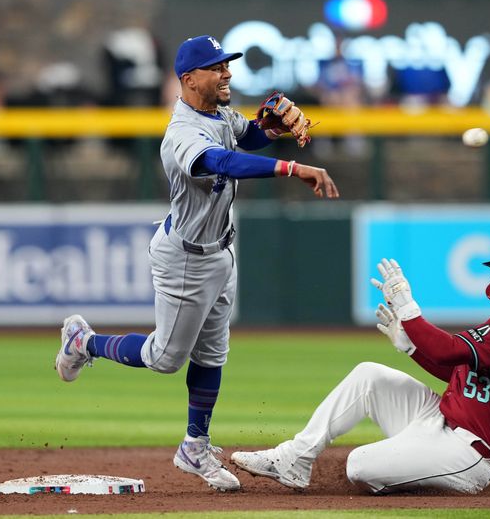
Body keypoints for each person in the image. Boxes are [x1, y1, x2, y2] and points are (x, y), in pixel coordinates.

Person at [54, 35, 339, 492]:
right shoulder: (182, 133)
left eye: (227, 64)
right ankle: (83, 340)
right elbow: (221, 159)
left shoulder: (219, 113)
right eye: (216, 67)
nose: (226, 72)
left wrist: (270, 129)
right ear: (189, 80)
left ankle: (194, 445)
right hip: (185, 259)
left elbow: (245, 135)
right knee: (164, 358)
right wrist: (290, 167)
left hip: (220, 249)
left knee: (212, 354)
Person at [232, 237, 490, 494]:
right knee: (369, 375)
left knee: (359, 466)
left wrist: (408, 307)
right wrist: (412, 348)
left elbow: (446, 350)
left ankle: (438, 478)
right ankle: (295, 459)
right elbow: (458, 372)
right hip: (442, 419)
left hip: (467, 452)